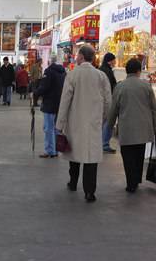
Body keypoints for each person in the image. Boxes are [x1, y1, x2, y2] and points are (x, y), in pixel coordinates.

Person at [56, 45, 112, 202]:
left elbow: (65, 101)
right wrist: (104, 117)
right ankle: (89, 192)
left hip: (75, 121)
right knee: (91, 158)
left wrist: (60, 124)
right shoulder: (101, 76)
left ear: (81, 57)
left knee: (74, 154)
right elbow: (108, 100)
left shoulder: (72, 75)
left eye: (77, 55)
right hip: (94, 122)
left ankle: (73, 183)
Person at [107, 58, 156, 193]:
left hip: (126, 128)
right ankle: (136, 180)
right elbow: (154, 108)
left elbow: (114, 108)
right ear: (138, 71)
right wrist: (155, 127)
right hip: (143, 128)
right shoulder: (146, 86)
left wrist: (109, 124)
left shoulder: (120, 87)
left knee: (128, 156)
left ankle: (131, 182)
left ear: (126, 71)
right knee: (139, 155)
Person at [34, 55, 66, 158]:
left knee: (48, 128)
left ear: (49, 62)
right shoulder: (63, 72)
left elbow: (44, 87)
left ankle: (49, 150)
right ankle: (56, 150)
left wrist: (35, 93)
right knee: (56, 128)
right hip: (59, 103)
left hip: (49, 103)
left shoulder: (49, 72)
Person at [99, 53, 118, 153]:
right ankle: (105, 144)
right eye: (114, 60)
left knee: (102, 122)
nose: (115, 62)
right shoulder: (108, 71)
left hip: (100, 100)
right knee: (108, 122)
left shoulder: (100, 69)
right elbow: (111, 86)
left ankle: (100, 142)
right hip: (108, 99)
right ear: (109, 60)